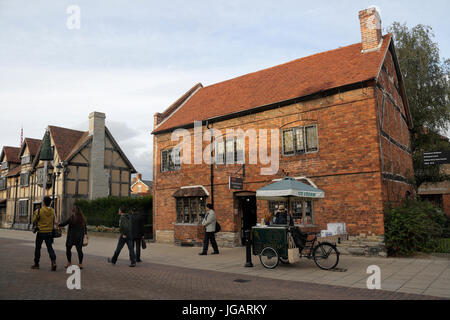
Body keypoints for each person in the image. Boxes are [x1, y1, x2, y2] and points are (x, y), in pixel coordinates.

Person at [31, 196, 57, 271]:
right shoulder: (52, 211)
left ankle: (36, 264)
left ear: (43, 202)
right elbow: (54, 220)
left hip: (41, 232)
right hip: (49, 232)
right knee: (50, 248)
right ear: (50, 202)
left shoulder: (39, 211)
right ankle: (53, 262)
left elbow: (34, 220)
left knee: (38, 248)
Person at [58, 205, 88, 269]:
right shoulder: (82, 218)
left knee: (68, 249)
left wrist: (58, 224)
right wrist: (85, 235)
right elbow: (85, 228)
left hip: (72, 236)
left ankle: (69, 262)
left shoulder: (72, 217)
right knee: (79, 250)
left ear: (74, 210)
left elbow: (64, 223)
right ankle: (80, 264)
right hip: (79, 237)